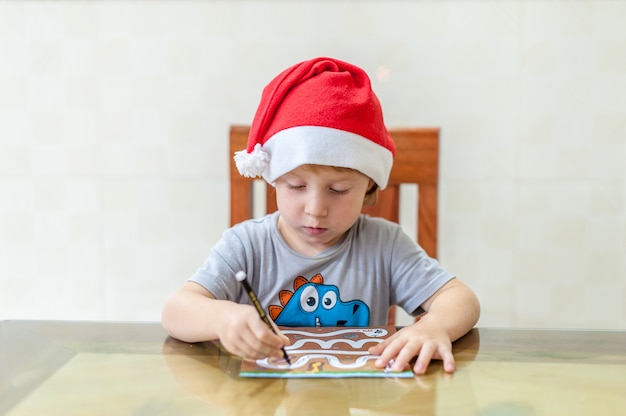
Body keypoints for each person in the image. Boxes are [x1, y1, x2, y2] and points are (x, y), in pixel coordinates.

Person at [162, 57, 480, 375]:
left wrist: (433, 326)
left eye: (339, 190)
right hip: (263, 402)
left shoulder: (386, 245)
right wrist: (221, 317)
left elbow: (462, 299)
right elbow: (175, 312)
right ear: (272, 179)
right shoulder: (246, 245)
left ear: (369, 185)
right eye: (296, 185)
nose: (316, 208)